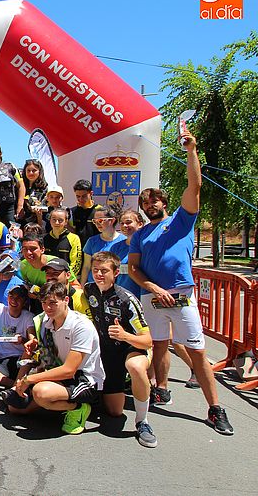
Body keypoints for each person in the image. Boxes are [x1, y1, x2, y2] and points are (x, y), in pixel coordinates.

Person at [128, 131, 233, 435]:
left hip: (182, 297)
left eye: (153, 199)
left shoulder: (181, 219)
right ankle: (161, 389)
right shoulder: (140, 234)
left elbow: (195, 185)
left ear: (163, 201)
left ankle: (215, 408)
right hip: (154, 298)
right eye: (143, 202)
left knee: (197, 352)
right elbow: (134, 269)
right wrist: (153, 288)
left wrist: (192, 151)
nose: (148, 204)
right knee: (159, 347)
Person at [3, 281, 105, 435]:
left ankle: (78, 408)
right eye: (44, 303)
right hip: (59, 372)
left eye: (53, 303)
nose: (47, 308)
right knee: (15, 408)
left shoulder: (81, 326)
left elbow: (69, 370)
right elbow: (48, 357)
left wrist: (29, 380)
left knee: (40, 393)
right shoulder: (45, 321)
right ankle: (53, 401)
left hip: (84, 379)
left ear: (66, 301)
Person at [84, 251, 156, 447]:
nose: (99, 274)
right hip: (107, 352)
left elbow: (148, 340)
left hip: (131, 347)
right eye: (95, 270)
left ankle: (142, 422)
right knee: (114, 412)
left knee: (135, 366)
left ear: (116, 273)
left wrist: (125, 335)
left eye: (104, 271)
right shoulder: (88, 290)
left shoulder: (127, 299)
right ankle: (115, 386)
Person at [0, 282, 35, 388]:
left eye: (18, 298)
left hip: (16, 359)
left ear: (24, 301)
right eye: (11, 296)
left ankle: (7, 382)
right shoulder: (1, 309)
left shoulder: (28, 317)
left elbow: (32, 341)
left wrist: (22, 340)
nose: (13, 300)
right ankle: (13, 384)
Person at [80, 205, 126, 284]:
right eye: (95, 221)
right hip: (94, 288)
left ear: (112, 221)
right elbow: (86, 267)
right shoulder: (91, 241)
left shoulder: (124, 241)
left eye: (100, 220)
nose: (97, 224)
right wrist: (82, 286)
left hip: (115, 288)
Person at [44, 207, 82, 279]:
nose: (56, 223)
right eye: (54, 220)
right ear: (50, 220)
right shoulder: (44, 238)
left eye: (60, 220)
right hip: (48, 279)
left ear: (66, 222)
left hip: (67, 279)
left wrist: (66, 277)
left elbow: (76, 263)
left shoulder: (74, 238)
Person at [68, 179, 101, 248]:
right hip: (78, 249)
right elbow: (73, 232)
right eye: (78, 196)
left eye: (84, 196)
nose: (80, 199)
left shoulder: (100, 210)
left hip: (96, 249)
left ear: (91, 193)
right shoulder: (72, 211)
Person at [20, 159, 49, 227]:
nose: (31, 173)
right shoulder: (21, 186)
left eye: (34, 171)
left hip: (37, 223)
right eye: (28, 170)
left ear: (39, 172)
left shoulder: (44, 188)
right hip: (21, 222)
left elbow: (44, 206)